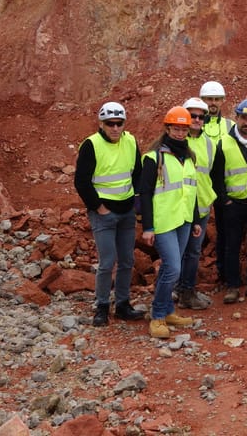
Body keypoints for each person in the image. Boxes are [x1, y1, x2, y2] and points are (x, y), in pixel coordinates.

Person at [74, 102, 145, 327]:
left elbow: (138, 175)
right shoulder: (91, 145)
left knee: (127, 260)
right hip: (103, 213)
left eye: (119, 123)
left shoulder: (131, 141)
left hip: (126, 211)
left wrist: (136, 204)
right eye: (110, 124)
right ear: (101, 124)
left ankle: (123, 304)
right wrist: (99, 207)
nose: (115, 128)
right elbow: (81, 182)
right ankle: (102, 306)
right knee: (107, 262)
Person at [139, 106, 200, 339]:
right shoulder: (154, 157)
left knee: (171, 267)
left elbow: (190, 189)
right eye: (176, 128)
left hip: (183, 219)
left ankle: (168, 310)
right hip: (164, 220)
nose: (180, 133)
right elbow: (144, 194)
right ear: (167, 128)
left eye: (184, 129)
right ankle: (157, 317)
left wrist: (194, 220)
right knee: (173, 268)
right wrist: (148, 227)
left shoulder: (189, 156)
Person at [213, 98, 247, 304]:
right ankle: (233, 286)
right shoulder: (223, 143)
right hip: (233, 204)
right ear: (236, 118)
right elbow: (216, 177)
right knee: (231, 245)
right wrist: (225, 201)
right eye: (243, 118)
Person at [175, 97, 218, 310]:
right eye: (193, 115)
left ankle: (187, 291)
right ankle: (177, 288)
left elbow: (213, 173)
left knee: (193, 251)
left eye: (201, 116)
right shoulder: (176, 140)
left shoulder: (210, 143)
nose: (197, 120)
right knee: (178, 251)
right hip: (180, 205)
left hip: (201, 205)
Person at [199, 80, 235, 288]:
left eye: (216, 99)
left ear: (222, 101)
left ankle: (223, 273)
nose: (212, 103)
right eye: (208, 99)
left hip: (223, 185)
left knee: (224, 231)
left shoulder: (229, 126)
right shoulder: (193, 123)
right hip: (200, 185)